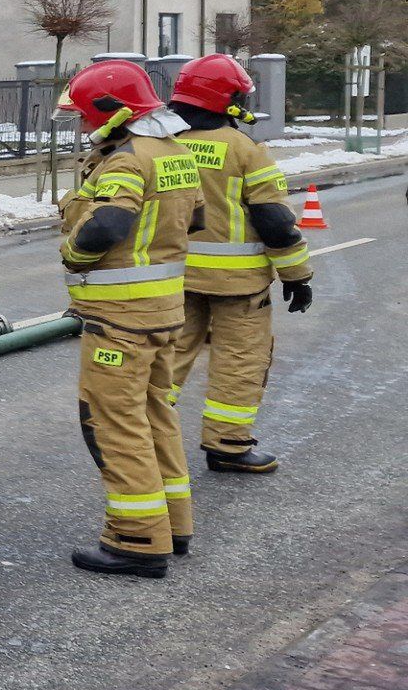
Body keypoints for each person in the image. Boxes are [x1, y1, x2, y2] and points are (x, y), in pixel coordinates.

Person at [55, 59, 204, 578]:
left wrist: (74, 256)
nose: (81, 124)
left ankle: (137, 539)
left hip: (120, 320)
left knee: (114, 424)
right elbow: (197, 218)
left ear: (111, 112)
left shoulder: (125, 161)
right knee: (156, 415)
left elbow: (107, 225)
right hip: (163, 313)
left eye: (84, 115)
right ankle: (174, 525)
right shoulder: (175, 151)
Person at [166, 55, 313, 473]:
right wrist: (297, 276)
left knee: (167, 358)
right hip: (238, 286)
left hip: (173, 278)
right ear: (228, 100)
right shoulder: (245, 150)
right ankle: (228, 446)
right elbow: (275, 221)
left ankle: (142, 436)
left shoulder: (162, 145)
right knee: (240, 361)